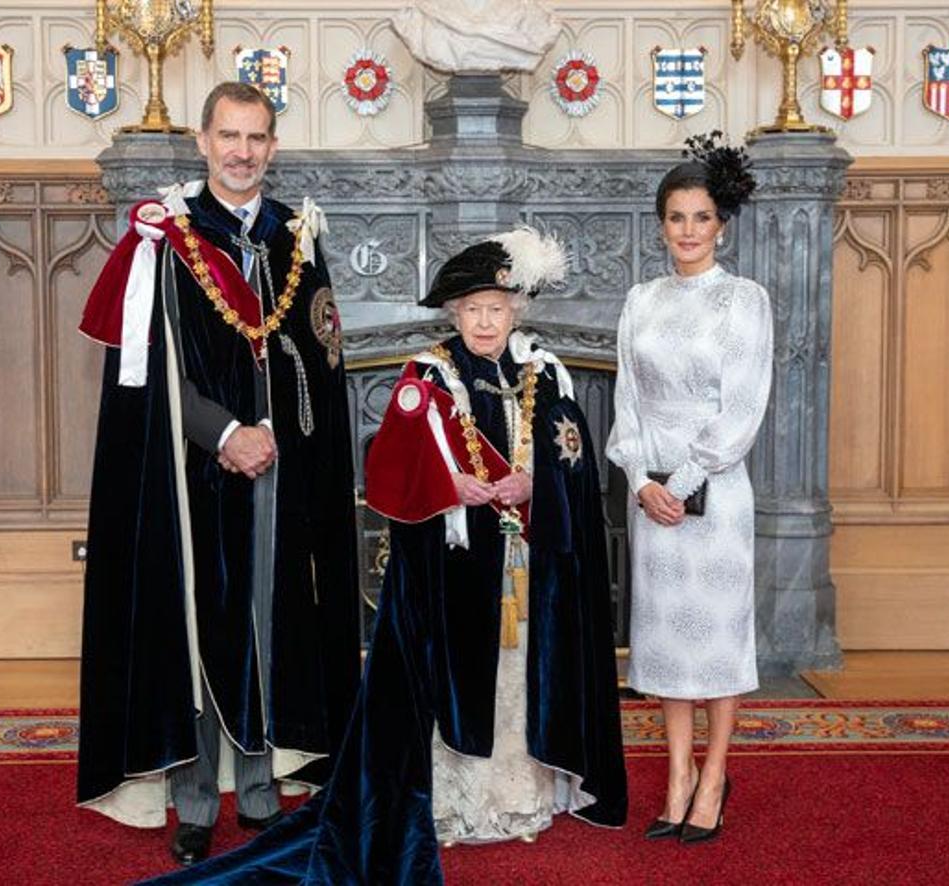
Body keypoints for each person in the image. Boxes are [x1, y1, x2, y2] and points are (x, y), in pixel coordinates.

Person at [146, 227, 627, 884]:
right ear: (454, 312)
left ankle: (518, 799)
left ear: (517, 308)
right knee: (457, 684)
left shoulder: (548, 374)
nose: (485, 321)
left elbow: (575, 461)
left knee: (517, 681)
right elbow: (389, 475)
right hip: (450, 570)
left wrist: (537, 483)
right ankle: (457, 807)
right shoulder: (426, 377)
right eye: (473, 309)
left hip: (522, 566)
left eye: (497, 308)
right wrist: (447, 486)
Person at [75, 81, 361, 867]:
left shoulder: (292, 238)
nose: (242, 152)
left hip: (282, 469)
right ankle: (197, 799)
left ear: (273, 145)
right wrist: (228, 433)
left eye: (257, 138)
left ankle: (264, 789)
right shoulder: (166, 240)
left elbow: (318, 361)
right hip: (191, 471)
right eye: (229, 136)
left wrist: (279, 440)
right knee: (201, 628)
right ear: (202, 141)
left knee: (274, 624)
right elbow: (150, 372)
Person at [606, 131, 770, 844]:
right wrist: (641, 480)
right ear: (661, 223)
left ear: (721, 225)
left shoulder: (744, 300)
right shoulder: (640, 300)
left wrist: (687, 478)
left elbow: (743, 405)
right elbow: (626, 402)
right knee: (666, 646)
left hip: (716, 495)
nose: (688, 231)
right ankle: (676, 777)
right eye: (676, 217)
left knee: (719, 644)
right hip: (654, 501)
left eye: (701, 218)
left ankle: (714, 776)